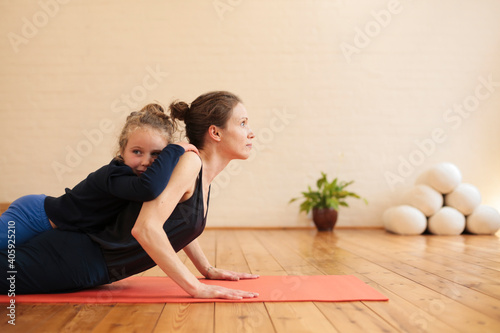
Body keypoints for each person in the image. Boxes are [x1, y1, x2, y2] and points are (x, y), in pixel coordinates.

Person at [1, 91, 259, 300]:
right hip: (78, 257)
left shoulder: (198, 171)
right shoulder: (190, 163)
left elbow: (175, 221)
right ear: (215, 132)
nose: (251, 132)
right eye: (243, 123)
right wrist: (195, 287)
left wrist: (207, 270)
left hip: (91, 264)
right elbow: (146, 228)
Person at [0, 103, 198, 250]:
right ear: (122, 150)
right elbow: (148, 189)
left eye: (156, 154)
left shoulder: (143, 177)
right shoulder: (115, 174)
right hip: (34, 216)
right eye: (137, 152)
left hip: (52, 226)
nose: (146, 161)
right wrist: (174, 150)